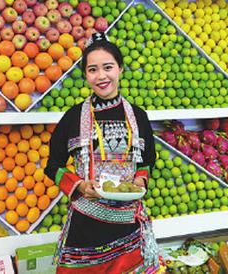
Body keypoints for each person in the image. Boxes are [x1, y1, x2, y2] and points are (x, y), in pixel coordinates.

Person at [45, 32, 159, 273]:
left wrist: (140, 179)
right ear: (86, 75)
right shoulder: (73, 117)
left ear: (120, 69)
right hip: (85, 226)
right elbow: (53, 166)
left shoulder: (138, 116)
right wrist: (79, 185)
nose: (101, 76)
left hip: (128, 226)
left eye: (108, 67)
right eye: (92, 70)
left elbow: (148, 161)